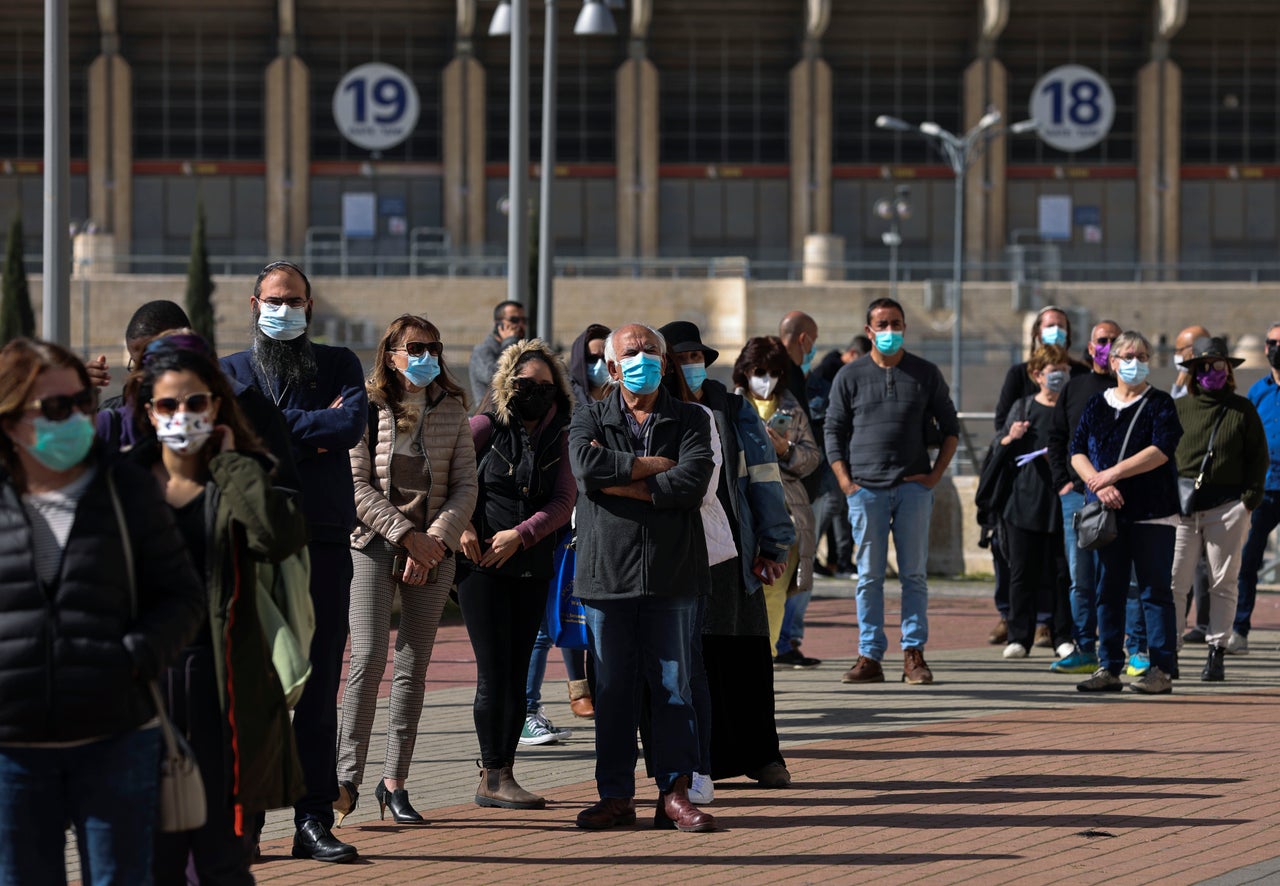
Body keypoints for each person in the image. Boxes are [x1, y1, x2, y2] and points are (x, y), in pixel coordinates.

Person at [0, 339, 204, 884]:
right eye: (56, 408)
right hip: (12, 751)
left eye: (83, 404)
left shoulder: (125, 487)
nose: (76, 419)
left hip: (115, 737)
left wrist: (133, 657)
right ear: (12, 416)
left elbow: (181, 595)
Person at [127, 334, 308, 883]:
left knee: (223, 855)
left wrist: (232, 465)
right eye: (168, 404)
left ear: (216, 405)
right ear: (147, 410)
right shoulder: (124, 482)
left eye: (196, 402)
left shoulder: (240, 475)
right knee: (148, 853)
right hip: (142, 684)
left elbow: (277, 538)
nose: (182, 415)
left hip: (221, 681)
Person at [221, 260, 368, 863]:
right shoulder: (227, 372)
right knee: (253, 685)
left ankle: (313, 819)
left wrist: (268, 426)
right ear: (254, 303)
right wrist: (311, 429)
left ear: (311, 307)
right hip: (250, 544)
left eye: (297, 301)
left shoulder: (338, 365)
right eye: (275, 300)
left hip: (323, 538)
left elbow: (351, 422)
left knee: (318, 683)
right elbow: (227, 438)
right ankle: (246, 823)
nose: (286, 310)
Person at [569, 323, 715, 833]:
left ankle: (675, 792)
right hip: (606, 575)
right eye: (632, 353)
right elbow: (586, 472)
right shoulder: (587, 414)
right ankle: (615, 795)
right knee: (612, 691)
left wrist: (621, 482)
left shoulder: (692, 417)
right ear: (612, 368)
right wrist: (653, 472)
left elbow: (691, 482)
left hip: (673, 574)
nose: (643, 359)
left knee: (674, 688)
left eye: (652, 351)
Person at [335, 315, 478, 826]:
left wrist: (433, 542)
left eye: (433, 347)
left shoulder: (453, 409)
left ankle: (395, 781)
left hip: (434, 551)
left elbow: (466, 485)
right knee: (369, 658)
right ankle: (346, 777)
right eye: (415, 347)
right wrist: (405, 536)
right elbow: (354, 486)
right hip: (374, 544)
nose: (426, 356)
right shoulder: (366, 407)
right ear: (391, 353)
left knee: (414, 668)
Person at [658, 320, 795, 793]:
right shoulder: (655, 412)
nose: (693, 367)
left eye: (699, 358)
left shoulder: (732, 408)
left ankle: (763, 757)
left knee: (745, 655)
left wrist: (773, 543)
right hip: (676, 551)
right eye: (684, 358)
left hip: (733, 551)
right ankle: (702, 761)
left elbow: (764, 475)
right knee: (695, 659)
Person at [459, 339, 576, 810]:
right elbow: (447, 479)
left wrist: (521, 535)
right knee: (494, 672)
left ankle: (504, 772)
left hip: (530, 563)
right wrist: (463, 525)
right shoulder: (484, 425)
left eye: (546, 385)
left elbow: (564, 500)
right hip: (480, 565)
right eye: (526, 384)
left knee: (514, 672)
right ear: (507, 385)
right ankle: (492, 774)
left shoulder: (564, 433)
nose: (537, 393)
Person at [825, 297, 959, 685]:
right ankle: (869, 654)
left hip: (913, 488)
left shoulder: (925, 373)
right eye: (881, 325)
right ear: (868, 331)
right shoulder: (849, 376)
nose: (889, 331)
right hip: (865, 491)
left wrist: (934, 476)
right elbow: (833, 431)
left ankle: (913, 653)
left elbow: (951, 429)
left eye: (895, 324)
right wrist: (847, 483)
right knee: (868, 576)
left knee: (914, 574)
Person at [1071, 331, 1182, 694]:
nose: (1136, 362)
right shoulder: (1096, 405)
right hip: (1110, 514)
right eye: (1128, 355)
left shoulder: (1160, 403)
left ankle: (1161, 668)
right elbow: (1076, 450)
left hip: (1153, 512)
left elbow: (1161, 450)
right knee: (1110, 589)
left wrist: (1114, 473)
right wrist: (1098, 485)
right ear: (1113, 361)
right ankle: (1109, 666)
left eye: (1143, 355)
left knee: (1153, 591)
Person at [1168, 337, 1267, 682]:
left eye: (1218, 366)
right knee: (1174, 582)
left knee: (1223, 582)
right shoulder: (1180, 409)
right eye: (1204, 366)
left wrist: (1248, 501)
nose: (1211, 372)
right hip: (1181, 507)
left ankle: (1216, 651)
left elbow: (1258, 458)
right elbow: (1164, 454)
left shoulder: (1242, 410)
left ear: (1229, 370)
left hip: (1227, 507)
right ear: (1193, 372)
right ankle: (1170, 652)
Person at [990, 306, 1089, 649]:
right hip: (1026, 497)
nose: (1058, 377)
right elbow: (999, 437)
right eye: (1051, 371)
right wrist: (1011, 437)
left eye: (1063, 371)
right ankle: (1019, 635)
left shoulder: (1077, 398)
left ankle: (1062, 633)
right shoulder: (1022, 404)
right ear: (1036, 374)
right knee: (1021, 572)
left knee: (1063, 571)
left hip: (1063, 495)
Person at [731, 336, 820, 655]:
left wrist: (785, 450)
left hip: (785, 514)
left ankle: (762, 663)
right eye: (758, 371)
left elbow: (812, 459)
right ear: (745, 372)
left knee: (774, 591)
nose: (765, 379)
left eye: (773, 372)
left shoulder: (792, 410)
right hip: (743, 513)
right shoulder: (731, 407)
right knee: (741, 595)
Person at [1048, 320, 1122, 674]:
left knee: (1122, 575)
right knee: (1081, 576)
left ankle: (1124, 648)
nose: (1108, 346)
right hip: (1077, 496)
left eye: (1114, 341)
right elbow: (1057, 438)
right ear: (1091, 348)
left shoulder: (1130, 389)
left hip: (1120, 496)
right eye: (1102, 341)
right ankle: (1084, 646)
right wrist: (1063, 483)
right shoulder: (1075, 388)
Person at [1232, 322, 1280, 655]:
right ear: (1265, 348)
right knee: (1248, 560)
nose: (1278, 347)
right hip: (1265, 488)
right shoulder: (1258, 392)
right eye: (1273, 342)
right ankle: (1239, 630)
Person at [809, 335, 869, 579]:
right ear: (853, 355)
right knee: (832, 501)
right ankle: (808, 555)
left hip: (842, 446)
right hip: (827, 449)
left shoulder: (837, 372)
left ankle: (840, 561)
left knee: (841, 505)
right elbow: (823, 412)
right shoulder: (829, 373)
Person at [1170, 324, 1214, 643]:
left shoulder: (1203, 387)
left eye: (1182, 350)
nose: (1177, 357)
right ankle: (1177, 622)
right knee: (1181, 559)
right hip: (1179, 483)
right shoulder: (1178, 389)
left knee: (1203, 562)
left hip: (1204, 484)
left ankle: (1205, 624)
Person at [469, 300, 528, 406]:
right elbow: (494, 377)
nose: (520, 325)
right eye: (514, 320)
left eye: (524, 321)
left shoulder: (522, 350)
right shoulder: (482, 350)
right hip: (491, 417)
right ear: (498, 324)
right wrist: (510, 342)